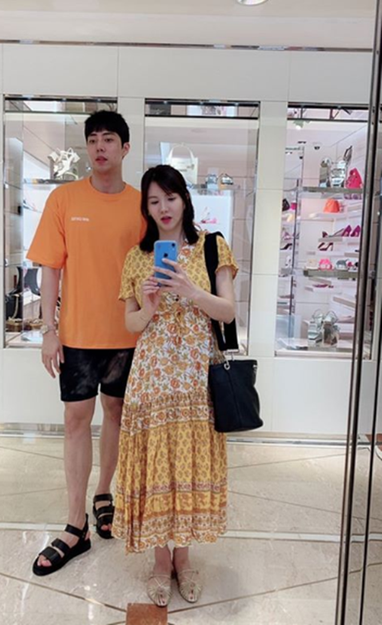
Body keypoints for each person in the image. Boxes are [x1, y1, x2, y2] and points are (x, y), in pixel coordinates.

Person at [112, 164, 237, 606]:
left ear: (184, 199)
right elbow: (130, 324)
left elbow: (228, 311)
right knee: (157, 465)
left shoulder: (212, 246)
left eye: (170, 197)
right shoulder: (136, 256)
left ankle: (184, 559)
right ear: (146, 209)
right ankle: (161, 562)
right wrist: (148, 305)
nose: (163, 207)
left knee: (188, 465)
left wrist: (190, 289)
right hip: (152, 376)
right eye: (153, 201)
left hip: (196, 378)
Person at [27, 111, 144, 576]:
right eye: (93, 140)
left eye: (108, 139)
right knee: (76, 420)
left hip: (128, 336)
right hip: (76, 336)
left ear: (125, 148)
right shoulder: (64, 198)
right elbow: (50, 269)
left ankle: (104, 492)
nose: (99, 147)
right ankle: (76, 525)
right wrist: (48, 330)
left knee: (115, 414)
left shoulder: (141, 205)